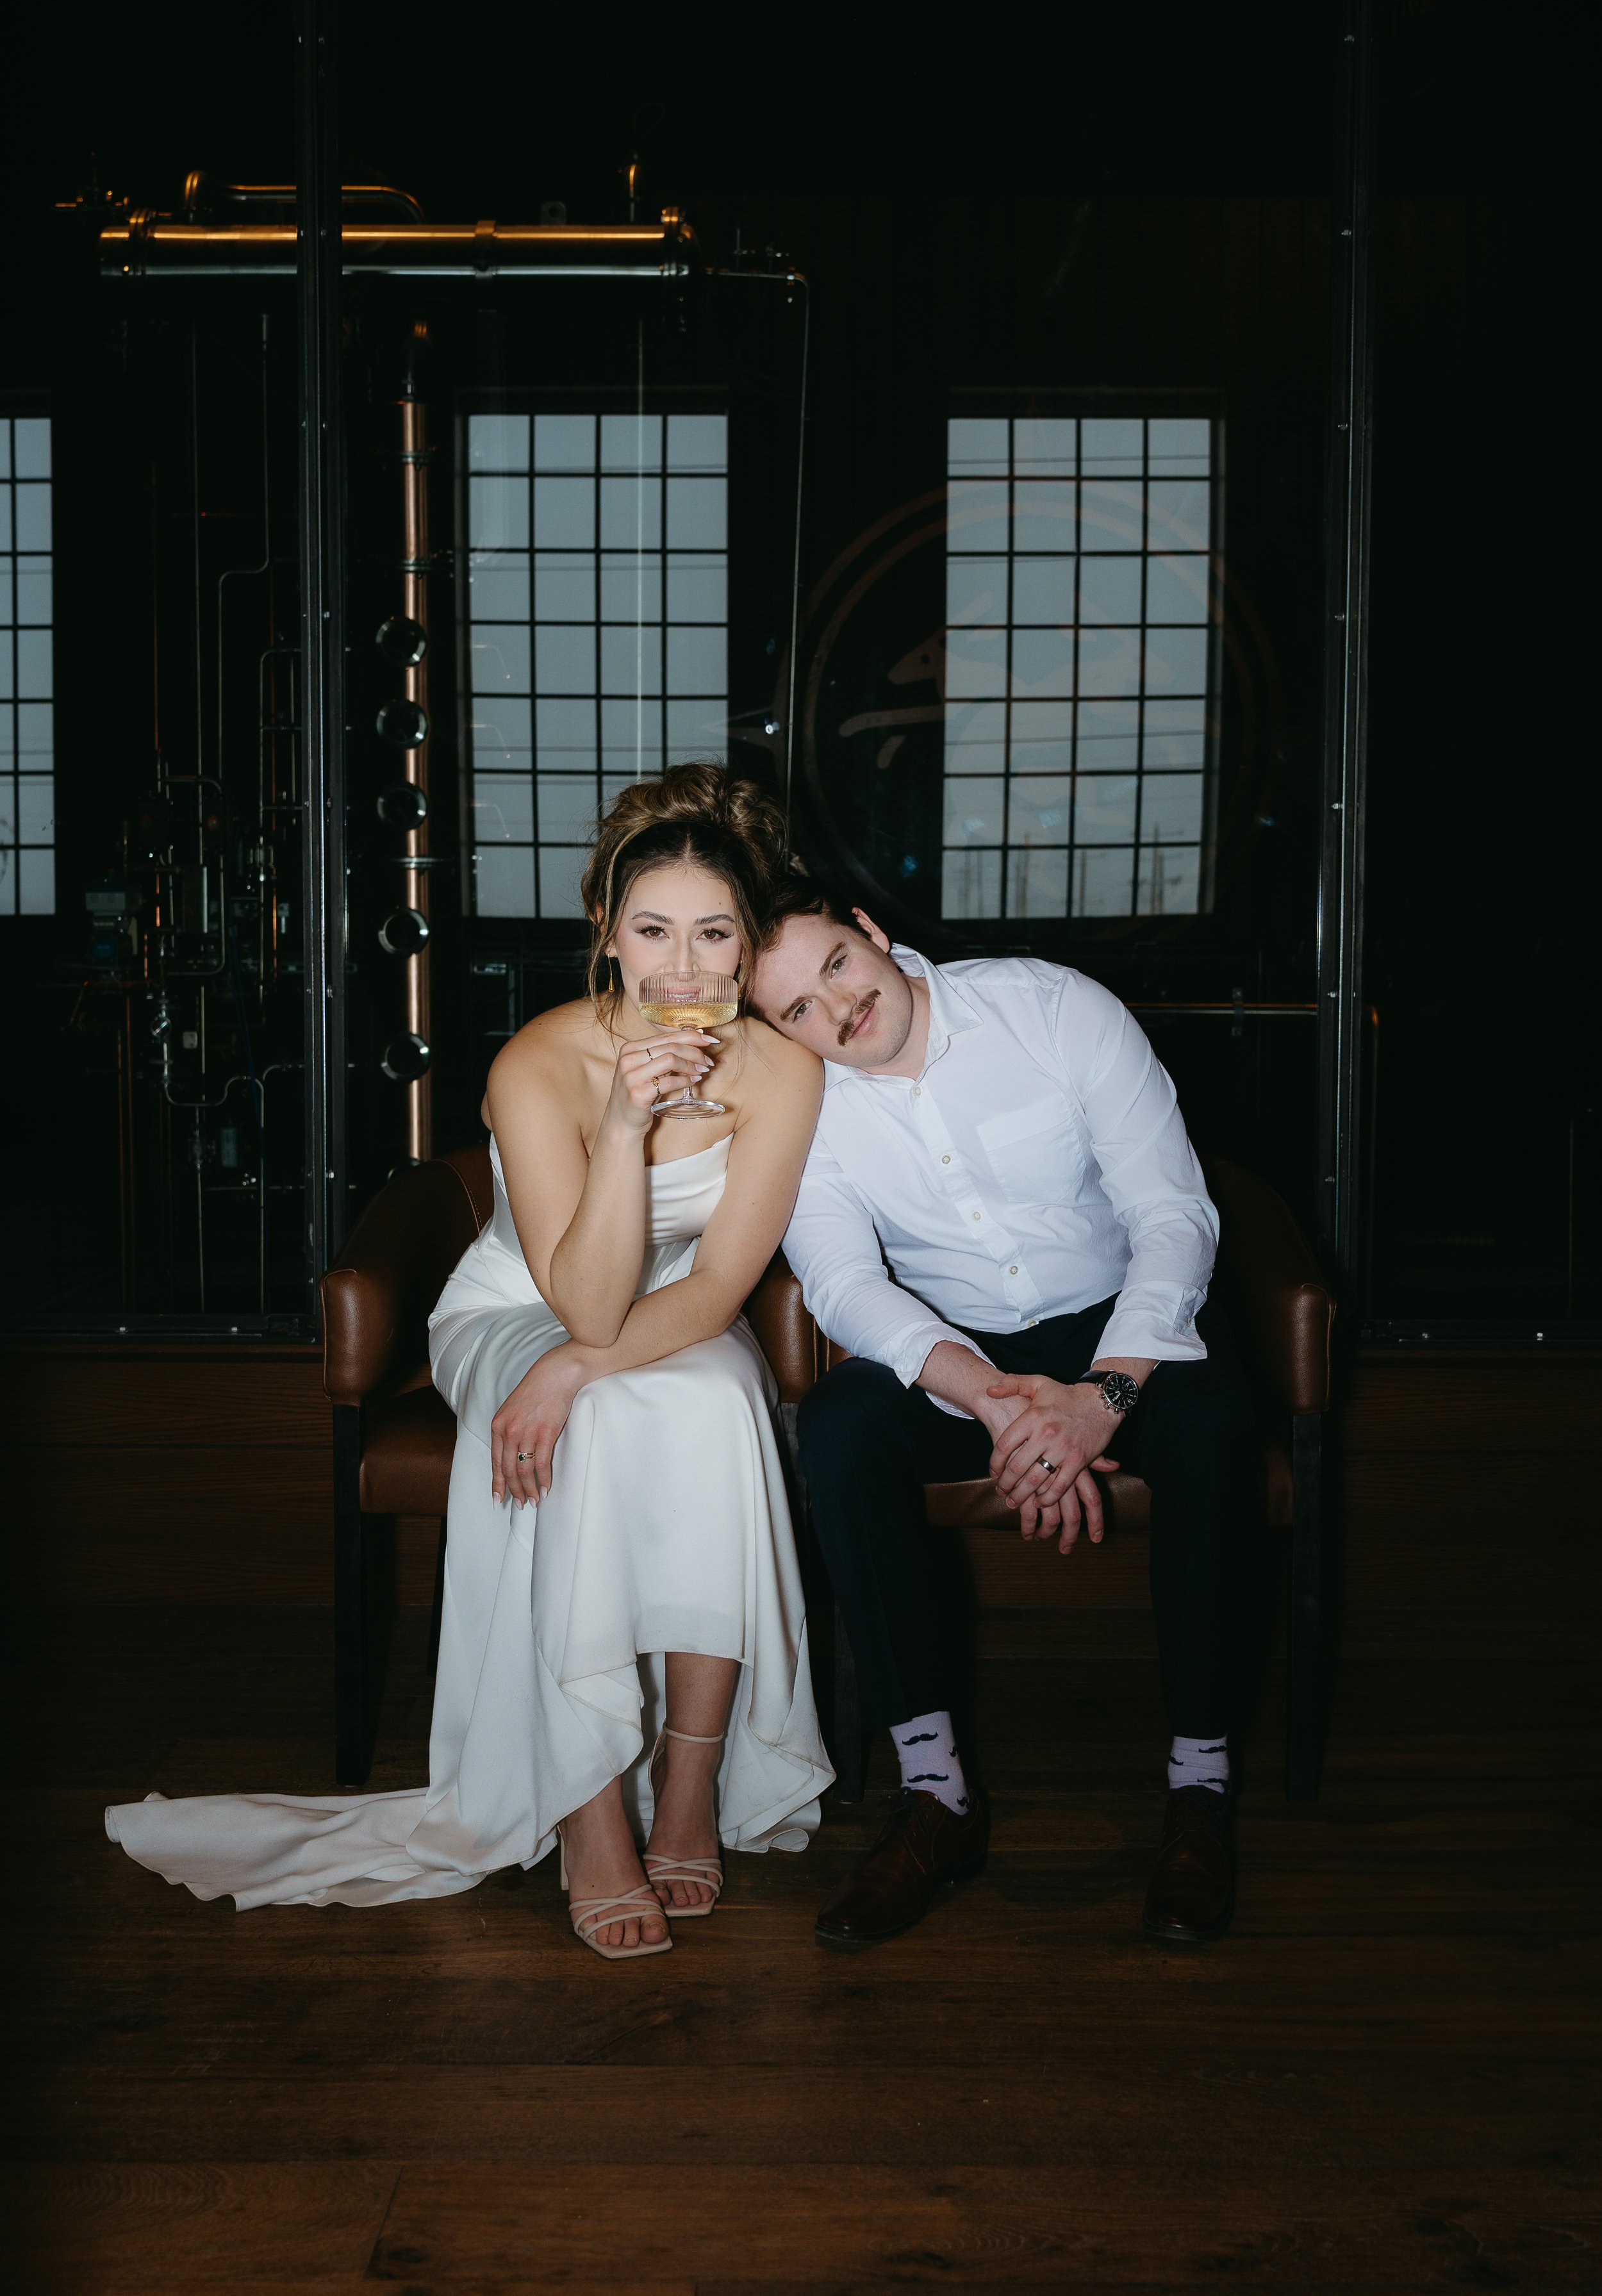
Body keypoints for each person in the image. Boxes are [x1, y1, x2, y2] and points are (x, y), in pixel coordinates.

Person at [108, 766, 834, 1956]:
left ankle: (690, 1786)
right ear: (606, 931)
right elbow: (581, 1302)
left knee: (717, 1404)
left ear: (750, 944)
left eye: (716, 934)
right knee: (598, 1421)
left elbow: (712, 1289)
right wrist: (625, 1128)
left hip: (674, 1311)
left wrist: (578, 1367)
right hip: (521, 1301)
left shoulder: (782, 1070)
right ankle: (588, 1807)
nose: (684, 968)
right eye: (653, 930)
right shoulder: (536, 1066)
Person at [748, 880, 1257, 1952]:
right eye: (797, 1008)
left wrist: (1101, 1398)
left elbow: (1173, 1215)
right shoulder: (805, 1106)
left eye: (837, 963)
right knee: (839, 1427)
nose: (838, 1009)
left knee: (1214, 1420)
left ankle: (1200, 1788)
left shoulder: (1054, 1008)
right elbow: (842, 1282)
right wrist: (989, 1397)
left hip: (1119, 1325)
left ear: (871, 932)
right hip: (961, 1355)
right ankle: (935, 1796)